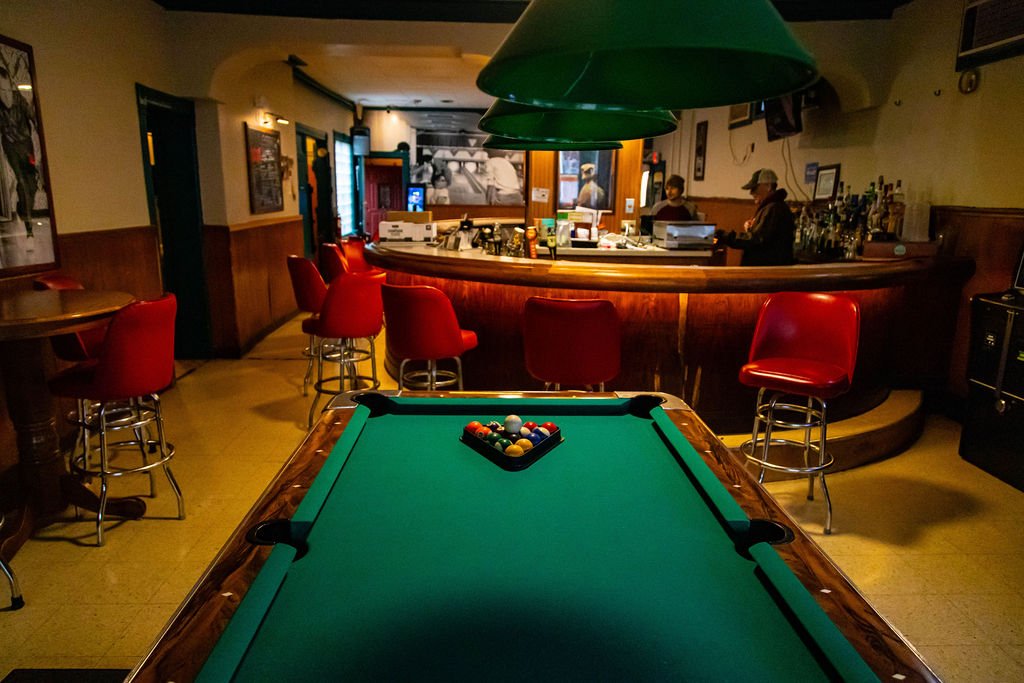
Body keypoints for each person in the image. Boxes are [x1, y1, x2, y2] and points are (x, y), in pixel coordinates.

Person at [716, 168, 795, 266]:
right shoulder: (771, 207)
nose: (751, 193)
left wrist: (723, 235)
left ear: (768, 186)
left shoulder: (774, 208)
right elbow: (764, 237)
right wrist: (751, 229)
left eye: (754, 188)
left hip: (767, 274)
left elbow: (756, 240)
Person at [0, 66, 40, 238]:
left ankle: (23, 209)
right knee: (22, 181)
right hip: (10, 146)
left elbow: (33, 118)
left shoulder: (19, 99)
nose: (5, 93)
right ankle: (29, 229)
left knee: (31, 183)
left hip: (26, 145)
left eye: (6, 87)